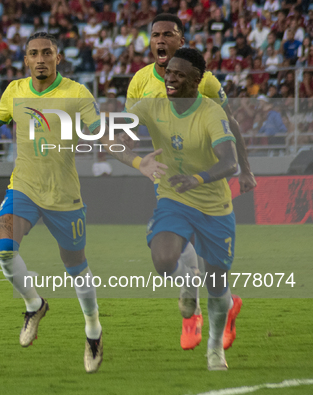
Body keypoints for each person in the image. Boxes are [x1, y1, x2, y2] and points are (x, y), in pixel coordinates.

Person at [0, 32, 165, 373]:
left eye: (47, 52)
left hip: (64, 196)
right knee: (3, 248)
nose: (40, 58)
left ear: (58, 58)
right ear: (25, 60)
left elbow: (103, 135)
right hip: (23, 189)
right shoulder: (15, 91)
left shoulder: (76, 94)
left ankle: (93, 331)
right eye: (33, 53)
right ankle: (34, 304)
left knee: (76, 268)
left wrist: (137, 162)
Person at [124, 14, 254, 351]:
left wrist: (246, 168)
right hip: (167, 179)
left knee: (201, 258)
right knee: (171, 250)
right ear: (150, 42)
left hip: (206, 182)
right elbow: (125, 128)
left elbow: (231, 125)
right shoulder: (139, 81)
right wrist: (137, 159)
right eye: (155, 35)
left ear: (181, 40)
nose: (161, 40)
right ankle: (194, 309)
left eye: (168, 34)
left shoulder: (204, 82)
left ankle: (208, 308)